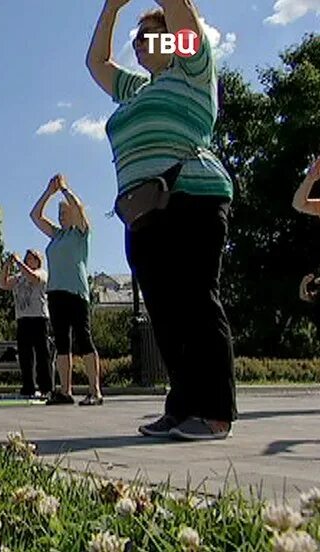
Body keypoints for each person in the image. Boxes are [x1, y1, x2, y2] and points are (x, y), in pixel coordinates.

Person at [88, 0, 235, 439]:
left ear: (173, 39)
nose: (137, 45)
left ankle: (214, 413)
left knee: (196, 301)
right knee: (165, 313)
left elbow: (182, 12)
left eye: (147, 36)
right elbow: (97, 63)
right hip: (143, 210)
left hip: (191, 197)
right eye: (135, 39)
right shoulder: (136, 88)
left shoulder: (192, 70)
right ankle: (182, 406)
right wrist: (113, 7)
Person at [31, 174, 102, 406]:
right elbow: (35, 216)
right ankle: (65, 391)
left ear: (73, 214)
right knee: (62, 343)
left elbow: (80, 208)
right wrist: (48, 192)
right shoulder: (57, 235)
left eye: (64, 213)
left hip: (76, 293)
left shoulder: (80, 233)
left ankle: (95, 391)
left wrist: (64, 190)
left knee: (84, 340)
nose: (61, 216)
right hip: (56, 293)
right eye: (59, 214)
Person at [0, 250, 53, 398]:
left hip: (38, 318)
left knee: (42, 354)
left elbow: (33, 278)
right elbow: (3, 284)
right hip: (22, 318)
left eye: (32, 259)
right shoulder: (18, 278)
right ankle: (28, 387)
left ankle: (46, 387)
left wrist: (18, 262)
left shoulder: (42, 273)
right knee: (25, 355)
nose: (29, 261)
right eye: (27, 258)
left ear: (38, 261)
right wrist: (7, 266)